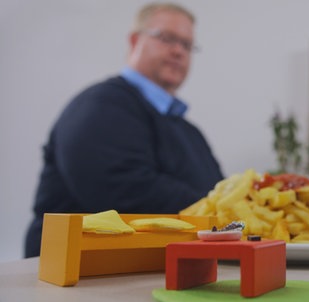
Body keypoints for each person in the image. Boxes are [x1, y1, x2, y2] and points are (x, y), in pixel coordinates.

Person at [24, 3, 224, 257]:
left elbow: (220, 192)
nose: (178, 51)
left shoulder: (190, 131)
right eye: (167, 38)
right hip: (76, 274)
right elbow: (125, 191)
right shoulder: (102, 105)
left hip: (159, 271)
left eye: (187, 45)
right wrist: (216, 213)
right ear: (134, 40)